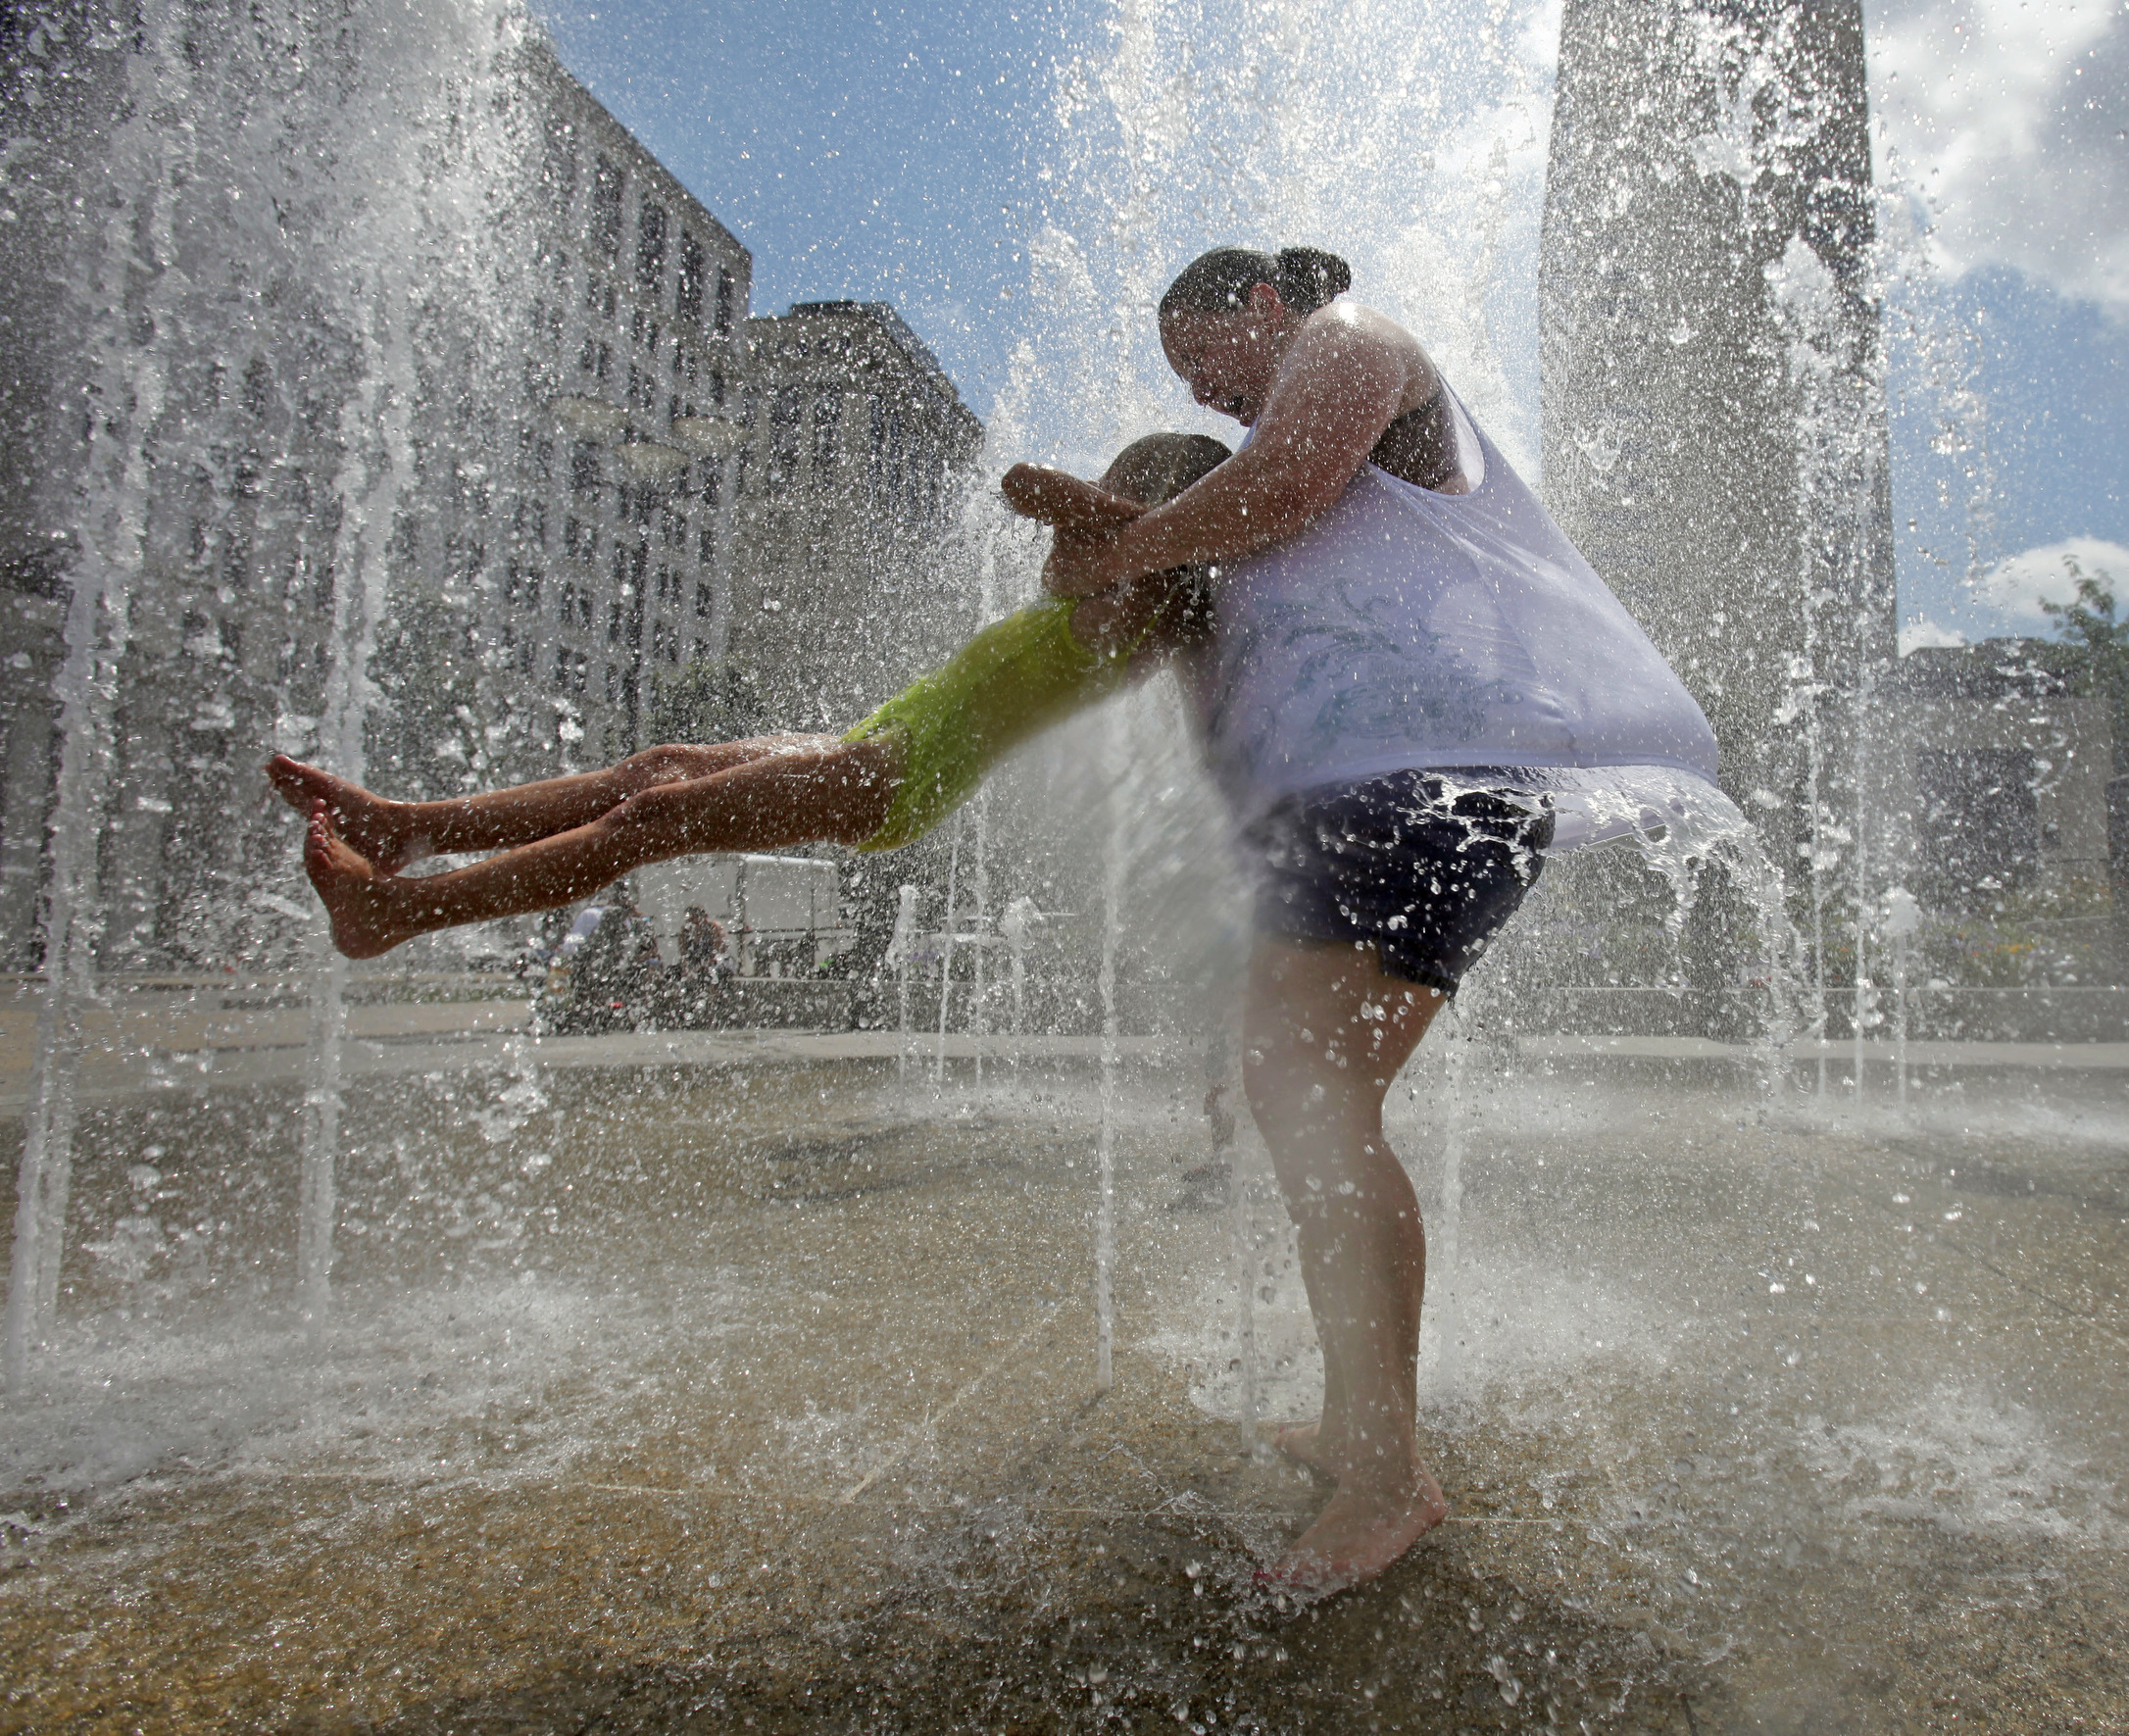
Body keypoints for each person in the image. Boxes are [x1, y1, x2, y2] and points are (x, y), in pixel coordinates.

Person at [1024, 244, 1716, 1594]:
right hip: (1369, 799)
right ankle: (1361, 1427)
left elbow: (1281, 482)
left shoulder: (1350, 339)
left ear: (1265, 308)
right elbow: (1238, 757)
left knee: (1315, 1097)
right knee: (1302, 1096)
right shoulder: (1261, 567)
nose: (1206, 396)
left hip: (1441, 779)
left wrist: (1124, 542)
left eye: (1201, 361)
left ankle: (1391, 1473)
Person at [266, 432, 1231, 958]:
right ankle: (409, 830)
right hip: (877, 737)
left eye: (1125, 487)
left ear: (1166, 513)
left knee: (653, 815)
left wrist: (1134, 517)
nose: (1102, 502)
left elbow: (1027, 484)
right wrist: (1121, 516)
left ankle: (398, 912)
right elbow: (1044, 509)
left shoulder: (1156, 591)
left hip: (892, 778)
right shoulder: (1127, 574)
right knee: (660, 768)